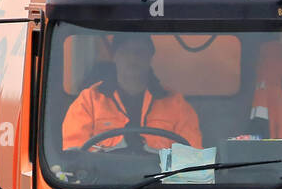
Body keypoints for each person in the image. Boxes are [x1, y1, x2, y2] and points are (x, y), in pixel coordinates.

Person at [61, 33, 202, 152]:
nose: (133, 58)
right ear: (114, 56)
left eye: (140, 52)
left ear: (150, 57)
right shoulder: (88, 101)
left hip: (159, 183)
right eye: (125, 51)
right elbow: (74, 157)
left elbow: (192, 158)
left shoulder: (176, 104)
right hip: (103, 183)